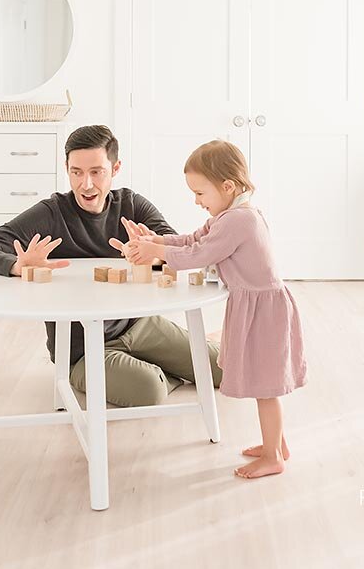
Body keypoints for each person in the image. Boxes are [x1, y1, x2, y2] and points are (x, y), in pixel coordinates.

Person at [0, 125, 222, 407]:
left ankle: (157, 364)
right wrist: (17, 265)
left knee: (222, 369)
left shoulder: (132, 205)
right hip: (82, 350)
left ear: (115, 168)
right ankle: (156, 372)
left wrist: (155, 254)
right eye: (77, 172)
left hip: (140, 325)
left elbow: (177, 253)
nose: (86, 184)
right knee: (150, 389)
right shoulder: (51, 213)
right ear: (67, 168)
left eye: (96, 172)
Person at [128, 139, 307, 478]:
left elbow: (200, 254)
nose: (196, 201)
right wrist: (158, 241)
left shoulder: (239, 220)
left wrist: (156, 252)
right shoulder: (229, 215)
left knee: (266, 389)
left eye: (200, 193)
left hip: (264, 313)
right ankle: (276, 445)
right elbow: (193, 240)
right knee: (263, 383)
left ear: (227, 186)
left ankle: (273, 457)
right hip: (257, 307)